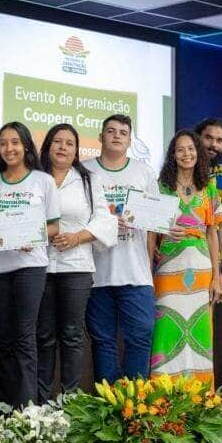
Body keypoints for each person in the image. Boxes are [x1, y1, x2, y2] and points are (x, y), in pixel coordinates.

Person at [0, 121, 60, 408]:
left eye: (14, 142)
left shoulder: (43, 181)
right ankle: (6, 411)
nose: (9, 148)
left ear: (26, 146)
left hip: (30, 266)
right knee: (5, 340)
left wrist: (32, 235)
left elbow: (54, 227)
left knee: (25, 337)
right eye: (3, 143)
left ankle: (27, 412)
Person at [36, 124, 117, 402]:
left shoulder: (88, 180)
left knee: (72, 336)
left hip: (77, 268)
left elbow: (106, 220)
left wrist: (78, 237)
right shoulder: (34, 178)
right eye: (57, 141)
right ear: (47, 146)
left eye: (69, 143)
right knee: (43, 337)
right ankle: (43, 407)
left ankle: (70, 402)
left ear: (76, 151)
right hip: (39, 267)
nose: (62, 147)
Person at [82, 115, 159, 383]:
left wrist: (148, 266)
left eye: (123, 133)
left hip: (136, 273)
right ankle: (109, 406)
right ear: (101, 137)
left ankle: (135, 406)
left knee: (140, 336)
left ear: (129, 141)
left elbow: (152, 225)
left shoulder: (144, 172)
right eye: (111, 131)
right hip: (94, 273)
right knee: (103, 341)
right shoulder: (83, 170)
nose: (116, 136)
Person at [149, 129, 222, 384]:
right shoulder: (161, 188)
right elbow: (151, 231)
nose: (186, 154)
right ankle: (163, 395)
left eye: (191, 148)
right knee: (167, 330)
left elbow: (213, 233)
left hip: (201, 270)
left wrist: (217, 275)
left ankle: (200, 397)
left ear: (198, 152)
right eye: (180, 149)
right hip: (169, 268)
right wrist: (164, 231)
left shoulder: (209, 188)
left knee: (200, 332)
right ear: (172, 155)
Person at [195, 117, 222, 301]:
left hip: (212, 260)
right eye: (208, 138)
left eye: (220, 140)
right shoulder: (179, 172)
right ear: (197, 138)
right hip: (177, 253)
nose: (213, 145)